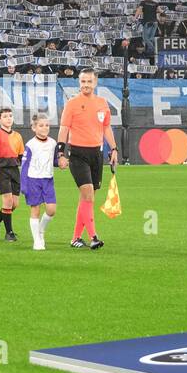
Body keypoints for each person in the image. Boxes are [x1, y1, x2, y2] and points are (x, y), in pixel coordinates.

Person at [57, 68, 118, 249]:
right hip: (77, 154)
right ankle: (93, 236)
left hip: (96, 154)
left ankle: (76, 238)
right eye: (83, 82)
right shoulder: (72, 103)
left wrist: (114, 148)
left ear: (95, 82)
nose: (86, 85)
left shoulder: (102, 103)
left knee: (87, 198)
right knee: (88, 194)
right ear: (79, 82)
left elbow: (106, 127)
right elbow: (64, 128)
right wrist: (60, 153)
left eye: (89, 81)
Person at [21, 112, 59, 250]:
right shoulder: (30, 145)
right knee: (35, 209)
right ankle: (37, 240)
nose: (45, 128)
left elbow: (54, 160)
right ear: (34, 128)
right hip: (33, 180)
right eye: (41, 125)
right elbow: (24, 166)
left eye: (47, 125)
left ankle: (41, 231)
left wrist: (60, 163)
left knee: (51, 210)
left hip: (48, 180)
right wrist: (24, 185)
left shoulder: (53, 143)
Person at [0, 107, 24, 242]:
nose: (8, 118)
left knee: (14, 204)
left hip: (14, 169)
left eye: (10, 116)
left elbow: (21, 155)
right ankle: (9, 233)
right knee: (7, 201)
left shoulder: (18, 136)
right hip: (1, 169)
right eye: (5, 116)